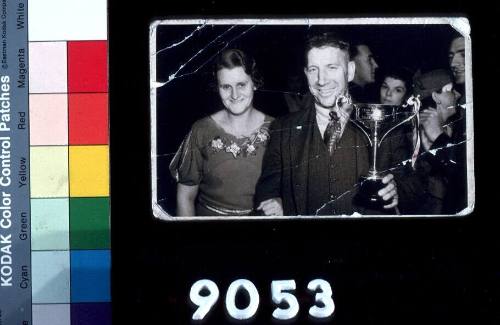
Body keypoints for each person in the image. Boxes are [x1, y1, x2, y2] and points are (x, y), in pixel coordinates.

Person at [255, 33, 420, 216]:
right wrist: (274, 201)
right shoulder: (283, 128)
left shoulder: (382, 124)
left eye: (331, 67)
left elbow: (413, 188)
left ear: (349, 71)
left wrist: (396, 190)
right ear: (305, 74)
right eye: (313, 70)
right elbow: (266, 190)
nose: (321, 80)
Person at [169, 49, 273, 216]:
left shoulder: (277, 129)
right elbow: (185, 197)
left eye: (241, 85)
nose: (234, 95)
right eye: (226, 86)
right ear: (217, 87)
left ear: (254, 82)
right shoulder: (201, 130)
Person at [413, 69, 467, 214]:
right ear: (436, 97)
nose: (458, 94)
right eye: (450, 90)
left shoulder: (454, 128)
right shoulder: (415, 133)